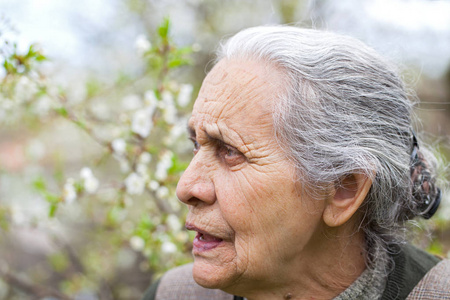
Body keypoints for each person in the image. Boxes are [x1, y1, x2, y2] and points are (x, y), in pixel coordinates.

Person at [143, 26, 449, 300]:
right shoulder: (172, 294)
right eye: (196, 144)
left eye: (230, 151)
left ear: (344, 189)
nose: (185, 187)